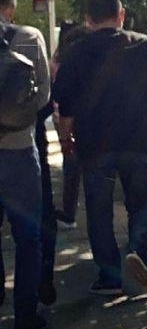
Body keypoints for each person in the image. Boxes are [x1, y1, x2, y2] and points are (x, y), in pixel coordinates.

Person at [53, 0, 147, 295]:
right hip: (137, 141)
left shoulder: (76, 53)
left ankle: (109, 277)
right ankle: (136, 250)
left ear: (88, 20)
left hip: (94, 145)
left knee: (98, 210)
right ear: (121, 16)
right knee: (143, 202)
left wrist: (65, 138)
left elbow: (66, 104)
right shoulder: (143, 46)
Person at [0, 0, 52, 329]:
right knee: (27, 236)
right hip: (19, 150)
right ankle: (25, 315)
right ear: (10, 6)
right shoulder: (30, 37)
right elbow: (43, 95)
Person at [52, 20, 88, 225]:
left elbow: (57, 93)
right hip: (90, 120)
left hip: (64, 118)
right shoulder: (90, 58)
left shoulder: (60, 60)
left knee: (71, 164)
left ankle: (69, 211)